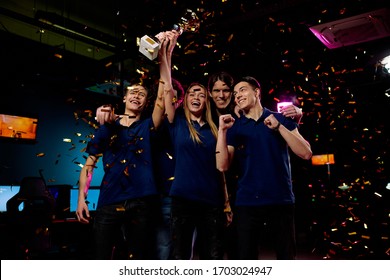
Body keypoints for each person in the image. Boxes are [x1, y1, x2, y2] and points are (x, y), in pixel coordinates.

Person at [76, 30, 178, 259]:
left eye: (142, 94)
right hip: (109, 202)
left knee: (138, 259)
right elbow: (89, 164)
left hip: (142, 202)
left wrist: (165, 55)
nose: (137, 95)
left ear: (146, 102)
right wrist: (82, 199)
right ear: (124, 98)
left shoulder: (149, 125)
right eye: (133, 92)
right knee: (102, 257)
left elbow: (164, 94)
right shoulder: (108, 126)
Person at [216, 76, 312, 260]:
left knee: (286, 258)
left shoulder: (280, 118)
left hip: (280, 200)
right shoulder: (234, 128)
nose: (237, 96)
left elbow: (306, 153)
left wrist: (279, 128)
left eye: (242, 90)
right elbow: (222, 165)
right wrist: (222, 132)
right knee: (246, 259)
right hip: (247, 202)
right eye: (235, 94)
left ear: (257, 92)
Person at [164, 81, 228, 260]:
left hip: (211, 202)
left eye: (201, 95)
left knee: (212, 257)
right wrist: (165, 58)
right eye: (192, 94)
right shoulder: (176, 122)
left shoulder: (215, 129)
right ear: (185, 100)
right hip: (182, 200)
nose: (196, 97)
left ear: (207, 102)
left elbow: (220, 169)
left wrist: (226, 202)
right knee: (180, 256)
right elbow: (168, 89)